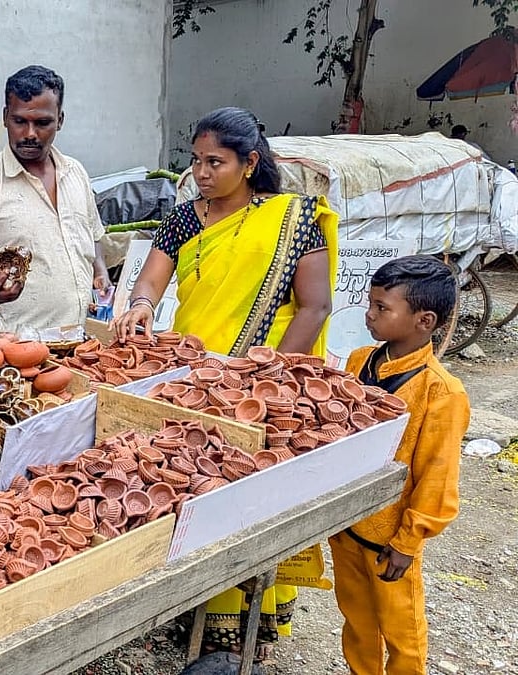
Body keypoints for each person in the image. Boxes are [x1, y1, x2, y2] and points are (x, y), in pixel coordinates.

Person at [112, 107, 340, 659]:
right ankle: (200, 614)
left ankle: (252, 628)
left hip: (266, 381)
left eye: (216, 162)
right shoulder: (187, 217)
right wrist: (141, 305)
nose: (202, 172)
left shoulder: (293, 218)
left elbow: (315, 306)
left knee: (258, 498)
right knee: (200, 487)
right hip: (196, 380)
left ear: (249, 163)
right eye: (196, 161)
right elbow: (151, 277)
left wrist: (266, 376)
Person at [331, 256, 469, 675]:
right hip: (348, 525)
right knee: (357, 621)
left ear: (424, 320)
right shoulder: (358, 362)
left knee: (401, 633)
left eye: (382, 308)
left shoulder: (440, 392)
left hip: (390, 538)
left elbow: (438, 476)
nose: (369, 316)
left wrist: (409, 541)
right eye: (370, 305)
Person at [0, 65, 110, 333]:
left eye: (43, 123)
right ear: (5, 117)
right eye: (20, 121)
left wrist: (100, 272)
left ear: (60, 120)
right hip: (20, 352)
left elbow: (92, 237)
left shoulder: (76, 174)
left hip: (81, 341)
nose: (30, 134)